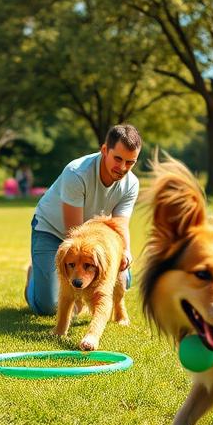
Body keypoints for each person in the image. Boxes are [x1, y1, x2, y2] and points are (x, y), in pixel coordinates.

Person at [24, 124, 141, 315]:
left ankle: (45, 273)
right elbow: (74, 234)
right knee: (48, 307)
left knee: (123, 278)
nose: (122, 168)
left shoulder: (131, 184)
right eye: (118, 159)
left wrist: (125, 253)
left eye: (130, 162)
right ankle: (34, 278)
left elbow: (119, 225)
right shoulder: (76, 172)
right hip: (52, 230)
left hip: (88, 241)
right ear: (104, 150)